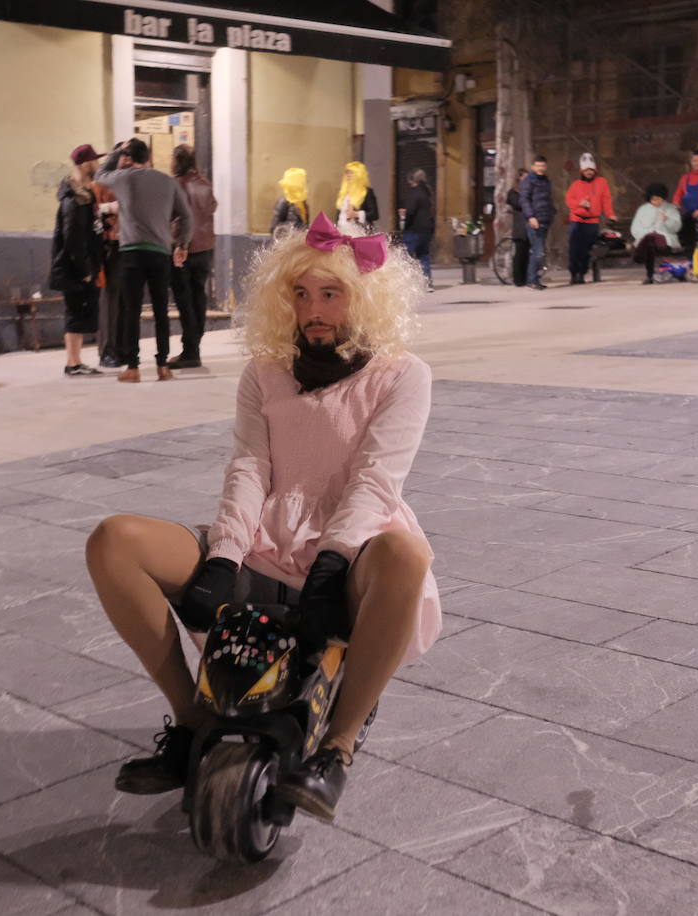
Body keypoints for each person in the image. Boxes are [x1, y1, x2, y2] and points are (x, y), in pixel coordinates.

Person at [86, 211, 440, 822]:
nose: (313, 310)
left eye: (331, 294)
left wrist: (333, 563)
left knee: (408, 556)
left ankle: (337, 747)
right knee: (113, 540)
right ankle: (193, 721)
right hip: (261, 539)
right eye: (300, 294)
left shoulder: (403, 375)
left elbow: (376, 480)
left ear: (366, 299)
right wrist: (223, 557)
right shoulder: (266, 371)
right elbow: (249, 467)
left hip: (352, 546)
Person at [94, 139, 193, 382]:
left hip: (131, 253)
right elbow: (187, 216)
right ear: (148, 157)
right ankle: (162, 366)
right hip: (160, 253)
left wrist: (117, 151)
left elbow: (100, 173)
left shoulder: (123, 177)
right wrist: (182, 244)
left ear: (128, 157)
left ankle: (133, 367)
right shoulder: (167, 181)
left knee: (131, 311)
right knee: (161, 311)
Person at [50, 144, 102, 376]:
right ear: (83, 164)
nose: (98, 164)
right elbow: (72, 238)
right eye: (94, 161)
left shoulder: (84, 194)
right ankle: (72, 363)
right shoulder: (73, 199)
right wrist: (84, 269)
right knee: (74, 312)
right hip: (74, 267)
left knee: (80, 313)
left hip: (81, 265)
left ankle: (76, 361)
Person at [169, 144, 217, 369]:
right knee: (198, 297)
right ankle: (195, 345)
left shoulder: (175, 185)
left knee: (184, 300)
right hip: (206, 246)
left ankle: (190, 350)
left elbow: (170, 214)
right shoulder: (205, 183)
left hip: (183, 248)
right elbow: (212, 207)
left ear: (177, 161)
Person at [564, 153, 615, 285]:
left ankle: (582, 273)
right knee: (575, 249)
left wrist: (610, 214)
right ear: (582, 171)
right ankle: (574, 273)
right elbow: (569, 201)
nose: (589, 172)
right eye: (586, 170)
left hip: (592, 221)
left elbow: (606, 200)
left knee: (587, 250)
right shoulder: (575, 185)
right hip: (577, 221)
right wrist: (579, 203)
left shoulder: (602, 183)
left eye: (591, 170)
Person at [94, 180, 123, 369]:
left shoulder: (128, 182)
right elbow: (94, 211)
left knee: (123, 301)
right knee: (110, 301)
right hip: (110, 245)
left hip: (127, 244)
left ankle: (120, 348)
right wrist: (112, 208)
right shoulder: (101, 185)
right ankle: (107, 351)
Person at [630, 183, 682, 284]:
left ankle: (640, 260)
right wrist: (649, 232)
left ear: (663, 198)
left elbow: (676, 227)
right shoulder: (642, 210)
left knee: (651, 239)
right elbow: (635, 229)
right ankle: (650, 275)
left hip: (665, 240)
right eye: (653, 199)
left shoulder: (670, 208)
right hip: (647, 241)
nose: (656, 202)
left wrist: (667, 220)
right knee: (649, 241)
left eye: (659, 199)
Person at [521, 155, 557, 290]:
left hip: (545, 219)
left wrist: (552, 213)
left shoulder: (546, 181)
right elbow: (524, 200)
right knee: (538, 252)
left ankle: (534, 279)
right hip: (534, 220)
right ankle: (531, 280)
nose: (540, 168)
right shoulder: (528, 181)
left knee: (537, 251)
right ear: (533, 167)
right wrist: (531, 217)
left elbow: (548, 200)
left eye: (543, 166)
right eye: (538, 166)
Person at [398, 168, 434, 291]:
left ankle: (405, 283)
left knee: (406, 256)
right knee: (423, 255)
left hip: (414, 229)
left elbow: (410, 212)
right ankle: (427, 283)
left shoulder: (414, 193)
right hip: (427, 230)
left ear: (411, 179)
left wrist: (404, 222)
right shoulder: (427, 192)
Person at [335, 161, 378, 236]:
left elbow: (374, 214)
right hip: (342, 233)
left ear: (359, 175)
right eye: (347, 172)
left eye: (352, 173)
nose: (348, 175)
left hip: (359, 234)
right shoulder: (343, 193)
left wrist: (356, 214)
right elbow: (339, 216)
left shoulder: (367, 192)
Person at [505, 169, 529, 288]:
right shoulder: (513, 192)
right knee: (520, 253)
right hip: (520, 226)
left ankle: (526, 278)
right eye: (524, 177)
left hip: (530, 225)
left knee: (528, 254)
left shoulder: (530, 190)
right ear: (519, 178)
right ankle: (518, 279)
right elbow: (518, 204)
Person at [272, 167, 310, 237]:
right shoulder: (283, 203)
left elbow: (305, 224)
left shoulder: (303, 204)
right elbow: (274, 228)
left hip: (300, 242)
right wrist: (291, 229)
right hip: (288, 242)